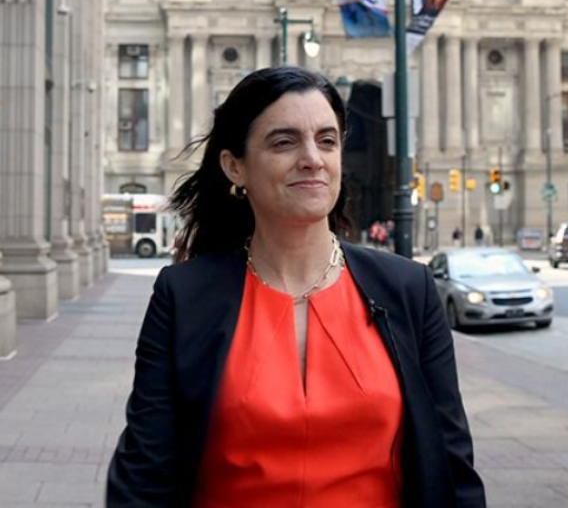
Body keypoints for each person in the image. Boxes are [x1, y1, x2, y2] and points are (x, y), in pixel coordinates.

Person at [106, 66, 485, 508]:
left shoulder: (409, 289)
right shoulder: (184, 295)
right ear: (235, 167)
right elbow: (143, 475)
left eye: (327, 140)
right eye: (284, 142)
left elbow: (452, 468)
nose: (313, 158)